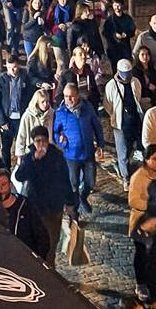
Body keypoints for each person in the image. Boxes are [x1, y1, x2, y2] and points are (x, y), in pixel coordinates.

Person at [14, 125, 75, 267]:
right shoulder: (29, 158)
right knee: (36, 241)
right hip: (35, 207)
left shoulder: (57, 157)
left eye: (43, 141)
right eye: (37, 141)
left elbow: (65, 180)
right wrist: (33, 161)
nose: (41, 145)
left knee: (52, 243)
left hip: (54, 207)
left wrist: (70, 203)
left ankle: (50, 270)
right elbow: (19, 176)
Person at [53, 82, 106, 217]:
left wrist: (100, 144)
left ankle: (83, 197)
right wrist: (61, 140)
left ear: (78, 96)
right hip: (71, 156)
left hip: (88, 153)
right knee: (74, 184)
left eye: (71, 96)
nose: (68, 100)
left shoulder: (87, 108)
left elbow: (97, 126)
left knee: (90, 182)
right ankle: (75, 210)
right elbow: (55, 132)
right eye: (65, 96)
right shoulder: (60, 113)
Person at [103, 59, 146, 189]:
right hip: (120, 123)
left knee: (135, 147)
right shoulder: (111, 85)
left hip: (134, 120)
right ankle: (125, 177)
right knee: (123, 151)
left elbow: (137, 97)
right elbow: (108, 104)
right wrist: (114, 115)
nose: (126, 76)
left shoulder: (135, 82)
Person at [128, 144, 156, 294]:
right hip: (141, 222)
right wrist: (152, 205)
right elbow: (133, 200)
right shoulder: (138, 177)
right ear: (147, 159)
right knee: (142, 253)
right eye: (154, 159)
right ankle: (141, 283)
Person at [0, 169, 50, 259]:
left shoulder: (26, 207)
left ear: (10, 185)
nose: (0, 189)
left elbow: (42, 237)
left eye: (3, 185)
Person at [0, 54, 35, 162]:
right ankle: (6, 169)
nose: (12, 70)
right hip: (7, 119)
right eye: (9, 67)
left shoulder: (25, 78)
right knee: (6, 148)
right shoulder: (1, 80)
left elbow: (30, 96)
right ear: (6, 66)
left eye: (14, 67)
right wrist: (1, 121)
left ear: (19, 66)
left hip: (21, 119)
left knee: (22, 146)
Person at [104, 0, 137, 65]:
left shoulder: (127, 18)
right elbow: (105, 32)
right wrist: (114, 35)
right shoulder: (109, 20)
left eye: (118, 5)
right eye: (115, 5)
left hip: (125, 47)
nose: (117, 7)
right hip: (113, 48)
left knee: (127, 65)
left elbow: (132, 30)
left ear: (122, 6)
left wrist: (127, 34)